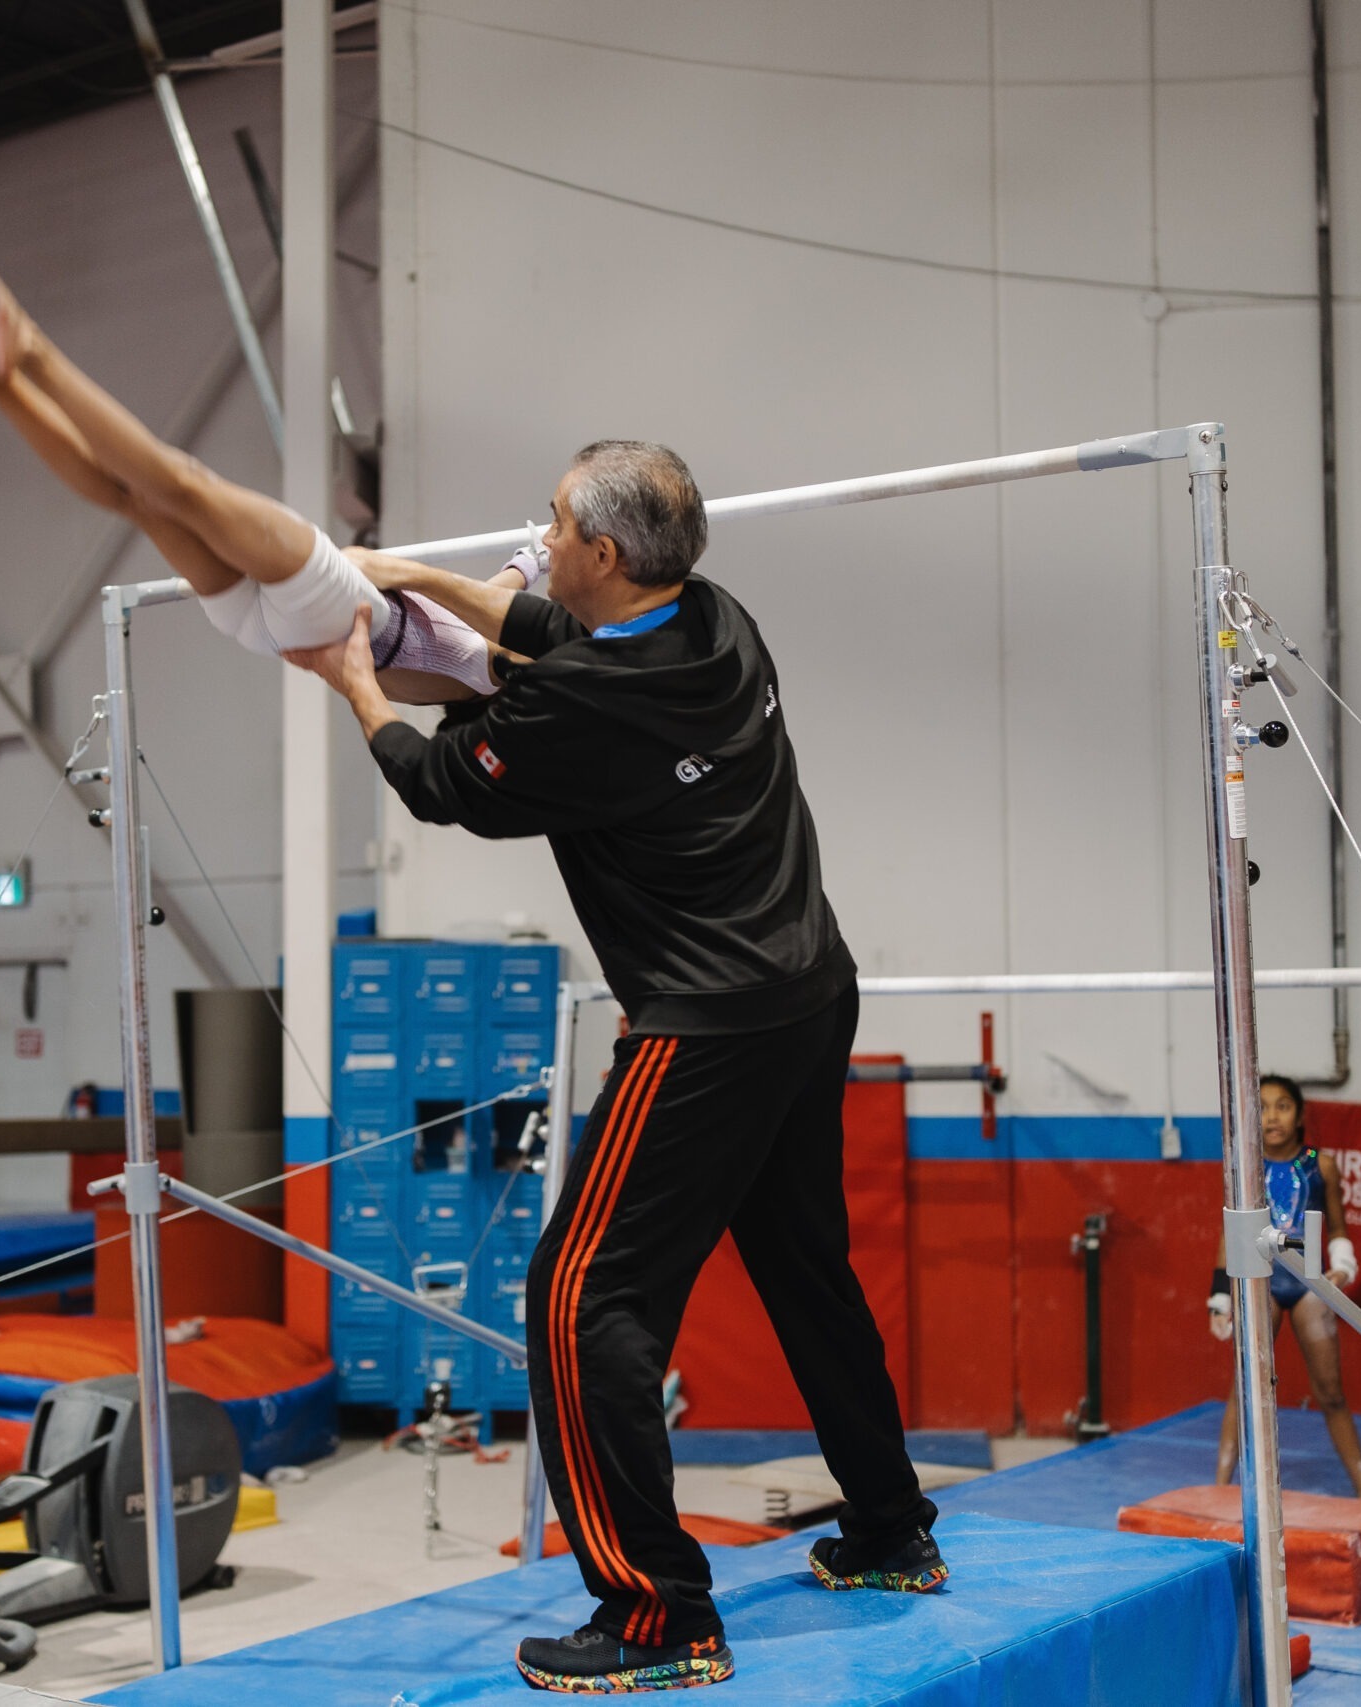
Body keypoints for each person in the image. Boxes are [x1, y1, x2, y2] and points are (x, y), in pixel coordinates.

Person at [284, 441, 940, 1693]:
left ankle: (656, 1616)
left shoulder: (571, 712)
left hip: (703, 1024)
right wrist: (407, 570)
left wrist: (355, 677)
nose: (537, 541)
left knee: (585, 1300)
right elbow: (535, 626)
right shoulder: (715, 621)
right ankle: (892, 1529)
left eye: (550, 525)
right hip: (810, 991)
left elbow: (438, 781)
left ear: (600, 554)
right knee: (805, 1268)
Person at [0, 236, 537, 703]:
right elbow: (496, 600)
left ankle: (31, 349)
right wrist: (535, 556)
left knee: (182, 485)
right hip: (269, 627)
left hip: (338, 611)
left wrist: (389, 566)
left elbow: (497, 631)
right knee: (138, 501)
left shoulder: (500, 672)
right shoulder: (478, 662)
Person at [1209, 1074, 1361, 1499]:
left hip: (1308, 1284)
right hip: (1261, 1282)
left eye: (1283, 1106)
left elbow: (1337, 1226)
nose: (1272, 1116)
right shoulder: (1243, 1167)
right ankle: (1219, 1489)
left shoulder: (1321, 1164)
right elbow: (1230, 1234)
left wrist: (1344, 1265)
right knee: (1243, 1387)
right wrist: (1220, 1296)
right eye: (1262, 1107)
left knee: (1330, 1391)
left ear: (1300, 1115)